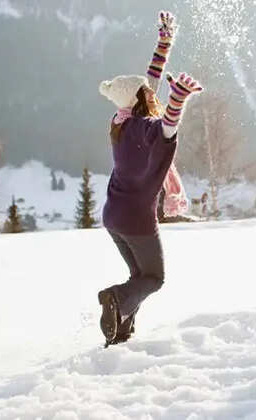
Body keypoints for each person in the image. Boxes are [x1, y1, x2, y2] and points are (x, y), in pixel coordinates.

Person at [97, 11, 203, 347]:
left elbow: (151, 83)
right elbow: (167, 128)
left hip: (113, 216)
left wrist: (164, 42)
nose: (150, 89)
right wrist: (179, 99)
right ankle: (115, 299)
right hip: (136, 220)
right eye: (146, 90)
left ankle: (121, 331)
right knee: (154, 278)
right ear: (142, 98)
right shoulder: (146, 129)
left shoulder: (121, 123)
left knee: (138, 277)